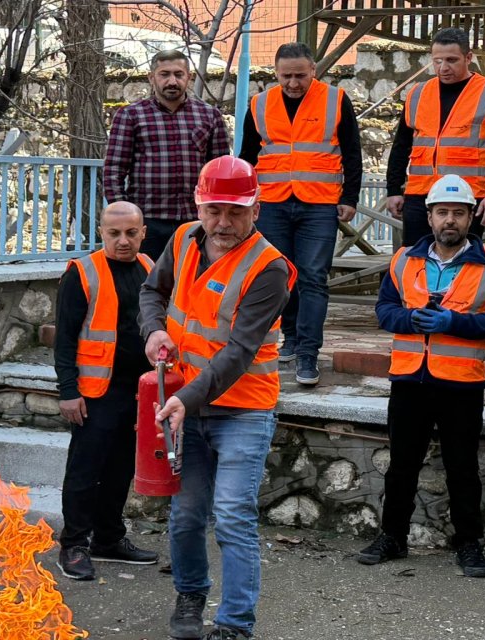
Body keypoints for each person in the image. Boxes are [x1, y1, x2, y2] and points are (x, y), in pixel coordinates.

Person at [139, 156, 296, 640]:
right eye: (214, 211)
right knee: (186, 515)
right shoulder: (185, 238)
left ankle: (234, 625)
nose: (223, 223)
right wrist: (154, 330)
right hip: (185, 402)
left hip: (243, 409)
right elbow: (152, 291)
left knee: (231, 516)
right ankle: (190, 595)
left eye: (235, 212)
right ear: (199, 206)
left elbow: (240, 351)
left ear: (256, 209)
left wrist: (185, 397)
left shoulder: (269, 269)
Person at [355, 174, 485, 577]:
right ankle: (392, 537)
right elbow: (384, 310)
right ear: (429, 217)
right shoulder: (403, 259)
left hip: (461, 381)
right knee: (402, 465)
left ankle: (468, 544)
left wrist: (454, 322)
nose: (450, 220)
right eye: (442, 212)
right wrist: (410, 319)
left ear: (470, 218)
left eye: (458, 213)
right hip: (410, 379)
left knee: (462, 467)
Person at [239, 42, 364, 387]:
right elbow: (247, 154)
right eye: (286, 76)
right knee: (281, 277)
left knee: (312, 277)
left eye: (300, 75)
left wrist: (349, 197)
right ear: (275, 73)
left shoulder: (335, 100)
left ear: (314, 71)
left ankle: (308, 353)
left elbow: (352, 152)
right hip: (273, 202)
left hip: (319, 203)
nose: (293, 83)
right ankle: (290, 338)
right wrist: (246, 200)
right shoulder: (260, 104)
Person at [52, 202, 160, 580]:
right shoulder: (82, 273)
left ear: (143, 232)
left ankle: (109, 539)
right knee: (85, 471)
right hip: (96, 391)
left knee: (120, 470)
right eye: (114, 233)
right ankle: (74, 545)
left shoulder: (150, 269)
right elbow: (64, 339)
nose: (123, 240)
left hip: (138, 391)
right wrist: (68, 391)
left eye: (131, 233)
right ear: (101, 232)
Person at [386, 27, 485, 247]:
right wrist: (393, 190)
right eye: (437, 61)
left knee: (465, 264)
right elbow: (401, 146)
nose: (443, 68)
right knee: (416, 261)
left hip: (467, 197)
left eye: (451, 60)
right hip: (420, 195)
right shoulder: (417, 93)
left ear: (468, 58)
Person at [104, 49, 231, 261]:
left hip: (195, 220)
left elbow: (219, 174)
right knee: (147, 284)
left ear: (189, 77)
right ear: (151, 77)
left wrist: (217, 216)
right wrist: (125, 218)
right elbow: (114, 170)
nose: (172, 81)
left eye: (178, 74)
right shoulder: (131, 116)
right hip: (148, 221)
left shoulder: (209, 116)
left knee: (193, 281)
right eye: (164, 74)